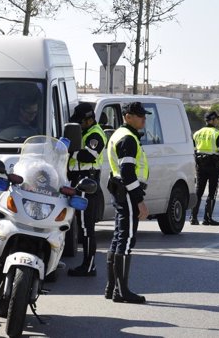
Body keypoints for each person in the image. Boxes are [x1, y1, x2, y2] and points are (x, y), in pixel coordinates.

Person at [104, 101, 150, 304]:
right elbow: (128, 173)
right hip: (129, 193)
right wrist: (139, 201)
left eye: (144, 116)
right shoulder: (128, 138)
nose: (144, 119)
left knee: (118, 238)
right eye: (140, 116)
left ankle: (112, 288)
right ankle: (122, 292)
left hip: (120, 191)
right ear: (127, 116)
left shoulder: (120, 135)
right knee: (126, 240)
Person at [67, 102, 107, 277]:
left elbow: (89, 156)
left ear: (89, 120)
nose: (78, 125)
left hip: (87, 184)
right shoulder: (84, 132)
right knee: (81, 226)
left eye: (81, 121)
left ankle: (89, 266)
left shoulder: (96, 134)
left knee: (86, 227)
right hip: (78, 182)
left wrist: (68, 151)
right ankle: (87, 264)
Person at [191, 111, 219, 226]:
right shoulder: (218, 134)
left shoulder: (197, 133)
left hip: (200, 166)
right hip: (213, 166)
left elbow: (193, 151)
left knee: (199, 191)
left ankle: (193, 218)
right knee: (212, 192)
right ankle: (207, 219)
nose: (218, 121)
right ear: (213, 120)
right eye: (217, 119)